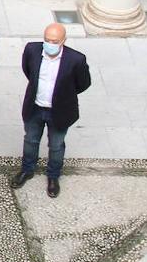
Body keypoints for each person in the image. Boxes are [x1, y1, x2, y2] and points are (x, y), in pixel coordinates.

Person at [10, 23, 91, 198]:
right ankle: (27, 169)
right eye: (47, 40)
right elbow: (28, 70)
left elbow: (83, 83)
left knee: (56, 145)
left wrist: (64, 94)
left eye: (54, 41)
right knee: (30, 140)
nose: (50, 44)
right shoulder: (32, 50)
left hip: (59, 111)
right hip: (35, 107)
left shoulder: (76, 59)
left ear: (63, 40)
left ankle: (53, 176)